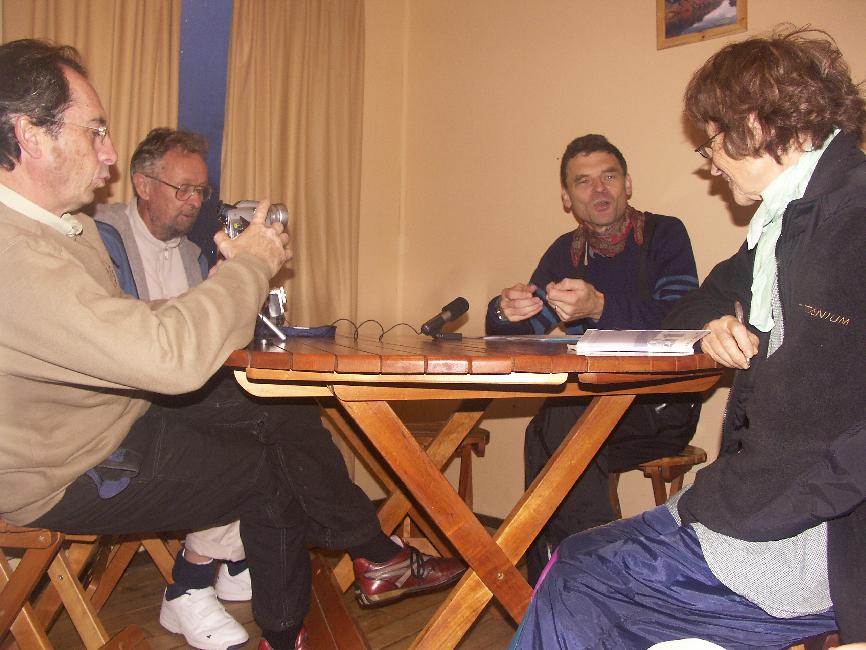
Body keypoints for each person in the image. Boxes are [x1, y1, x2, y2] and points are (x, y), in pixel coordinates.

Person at [0, 41, 462, 650]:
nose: (108, 153)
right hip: (67, 468)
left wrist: (220, 284)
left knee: (277, 403)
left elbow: (123, 330)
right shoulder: (16, 256)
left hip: (110, 411)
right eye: (96, 132)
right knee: (266, 475)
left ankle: (373, 557)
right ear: (30, 135)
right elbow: (169, 361)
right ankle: (293, 625)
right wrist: (250, 271)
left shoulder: (64, 228)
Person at [511, 26, 866, 648]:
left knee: (576, 576)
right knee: (563, 497)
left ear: (754, 126)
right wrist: (709, 322)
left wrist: (774, 504)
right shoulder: (782, 224)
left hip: (809, 532)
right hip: (756, 496)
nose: (713, 162)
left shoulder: (850, 221)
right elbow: (696, 303)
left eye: (713, 144)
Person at [486, 133, 700, 585]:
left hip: (661, 406)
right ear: (568, 198)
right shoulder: (565, 251)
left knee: (556, 426)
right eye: (584, 182)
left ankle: (586, 579)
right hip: (591, 407)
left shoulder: (665, 233)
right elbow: (526, 330)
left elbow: (682, 323)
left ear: (628, 184)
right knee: (547, 428)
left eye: (609, 176)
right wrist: (505, 311)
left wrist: (601, 308)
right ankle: (562, 578)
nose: (599, 190)